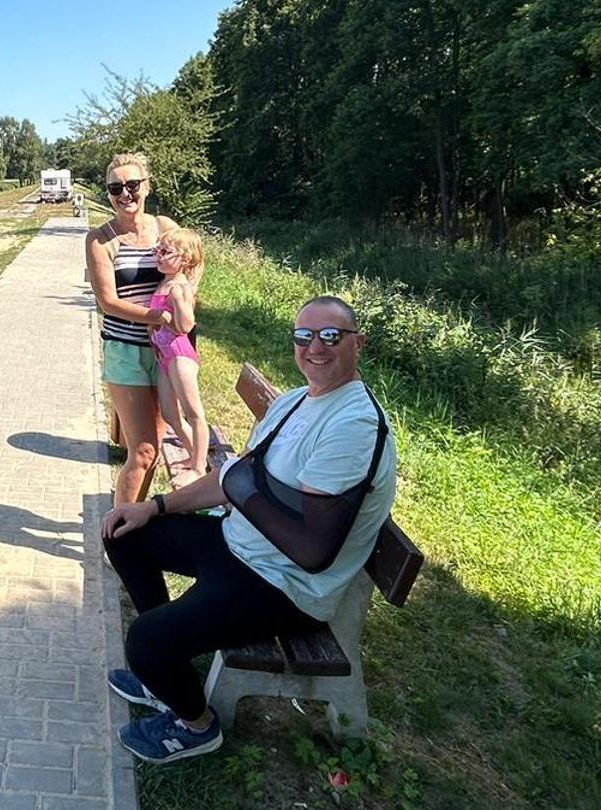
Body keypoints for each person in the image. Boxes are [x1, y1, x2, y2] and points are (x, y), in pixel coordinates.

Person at [95, 295, 399, 764]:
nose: (315, 347)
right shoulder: (298, 400)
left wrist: (244, 492)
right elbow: (232, 477)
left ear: (358, 344)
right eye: (304, 336)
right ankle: (165, 672)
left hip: (286, 586)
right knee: (125, 532)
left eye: (331, 336)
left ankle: (196, 726)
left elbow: (311, 550)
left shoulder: (352, 426)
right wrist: (154, 506)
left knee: (145, 641)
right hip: (241, 545)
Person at [85, 153, 178, 505]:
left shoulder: (165, 228)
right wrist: (158, 317)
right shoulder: (100, 240)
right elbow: (107, 302)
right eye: (115, 187)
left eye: (132, 185)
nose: (125, 193)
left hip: (167, 353)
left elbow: (195, 259)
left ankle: (134, 520)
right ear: (108, 193)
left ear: (147, 186)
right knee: (141, 451)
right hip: (127, 352)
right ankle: (118, 535)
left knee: (152, 451)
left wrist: (185, 294)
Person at [149, 229, 209, 483]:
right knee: (170, 415)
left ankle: (198, 468)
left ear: (185, 259)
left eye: (165, 252)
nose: (159, 257)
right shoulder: (164, 282)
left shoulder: (180, 287)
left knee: (194, 413)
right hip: (164, 355)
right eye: (157, 250)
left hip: (179, 355)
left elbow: (185, 326)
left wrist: (178, 300)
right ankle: (195, 454)